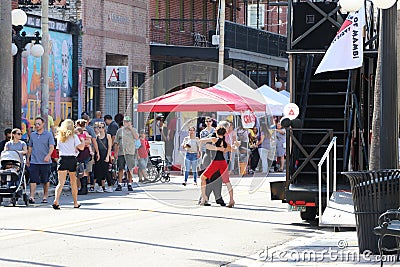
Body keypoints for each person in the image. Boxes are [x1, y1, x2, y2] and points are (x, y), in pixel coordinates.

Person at [52, 119, 85, 209]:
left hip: (62, 158)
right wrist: (83, 141)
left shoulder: (59, 137)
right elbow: (81, 148)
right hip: (71, 159)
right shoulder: (74, 137)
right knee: (73, 182)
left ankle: (56, 200)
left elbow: (58, 149)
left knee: (60, 183)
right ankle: (75, 203)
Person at [199, 127, 235, 208]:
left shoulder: (215, 139)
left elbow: (203, 141)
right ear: (225, 133)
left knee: (202, 177)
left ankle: (204, 198)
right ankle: (231, 200)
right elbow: (231, 149)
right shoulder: (225, 143)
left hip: (216, 162)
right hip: (223, 162)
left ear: (216, 132)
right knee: (227, 182)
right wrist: (235, 145)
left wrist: (200, 146)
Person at [26, 117, 55, 204]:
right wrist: (28, 158)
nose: (37, 126)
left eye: (39, 124)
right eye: (35, 124)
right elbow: (30, 147)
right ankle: (32, 196)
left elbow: (51, 146)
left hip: (45, 162)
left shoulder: (48, 134)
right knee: (33, 179)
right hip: (34, 161)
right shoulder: (33, 135)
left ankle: (45, 196)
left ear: (43, 124)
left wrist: (48, 155)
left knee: (45, 180)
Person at [114, 116, 139, 191]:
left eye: (128, 122)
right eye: (125, 122)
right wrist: (115, 153)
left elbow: (137, 138)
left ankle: (130, 184)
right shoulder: (120, 131)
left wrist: (131, 129)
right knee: (120, 168)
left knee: (130, 169)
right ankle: (120, 184)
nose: (127, 123)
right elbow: (116, 142)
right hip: (121, 152)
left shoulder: (134, 130)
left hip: (130, 152)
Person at [93, 121, 113, 192]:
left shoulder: (108, 136)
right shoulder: (96, 137)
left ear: (105, 128)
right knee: (98, 171)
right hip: (98, 155)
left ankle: (110, 186)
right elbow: (95, 147)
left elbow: (109, 147)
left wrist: (108, 156)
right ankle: (100, 186)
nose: (101, 129)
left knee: (106, 171)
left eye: (102, 127)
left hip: (105, 154)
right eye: (99, 127)